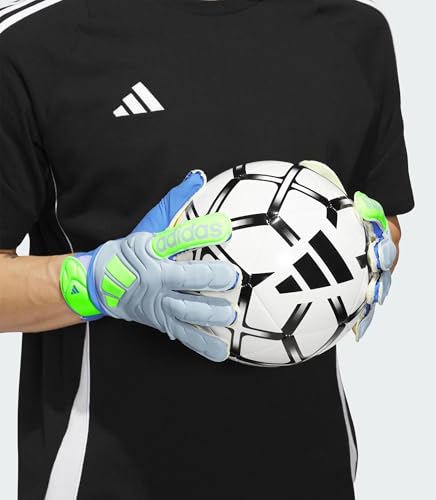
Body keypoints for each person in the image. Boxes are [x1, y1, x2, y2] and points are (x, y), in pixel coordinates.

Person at [0, 0, 414, 498]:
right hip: (103, 477)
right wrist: (94, 283)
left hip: (314, 471)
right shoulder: (32, 41)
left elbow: (381, 221)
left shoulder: (354, 33)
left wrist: (372, 246)